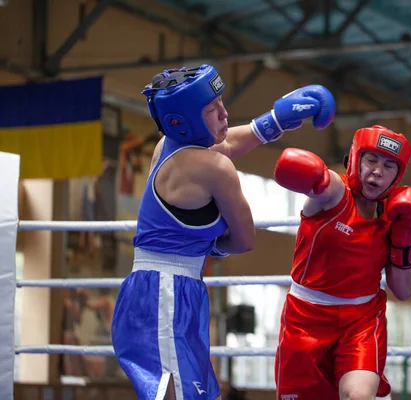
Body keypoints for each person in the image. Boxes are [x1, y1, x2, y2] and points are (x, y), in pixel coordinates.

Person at [111, 64, 336, 400]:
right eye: (212, 109)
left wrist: (274, 122)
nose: (224, 114)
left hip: (162, 289)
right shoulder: (215, 169)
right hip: (166, 294)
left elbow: (226, 143)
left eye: (221, 102)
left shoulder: (167, 146)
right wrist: (211, 247)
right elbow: (245, 240)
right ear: (183, 121)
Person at [273, 125, 411, 399]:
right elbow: (321, 178)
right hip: (306, 318)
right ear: (353, 159)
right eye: (371, 160)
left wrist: (405, 240)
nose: (377, 171)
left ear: (398, 175)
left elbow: (403, 291)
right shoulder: (332, 193)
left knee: (358, 396)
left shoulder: (395, 216)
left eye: (389, 165)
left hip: (361, 320)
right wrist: (312, 174)